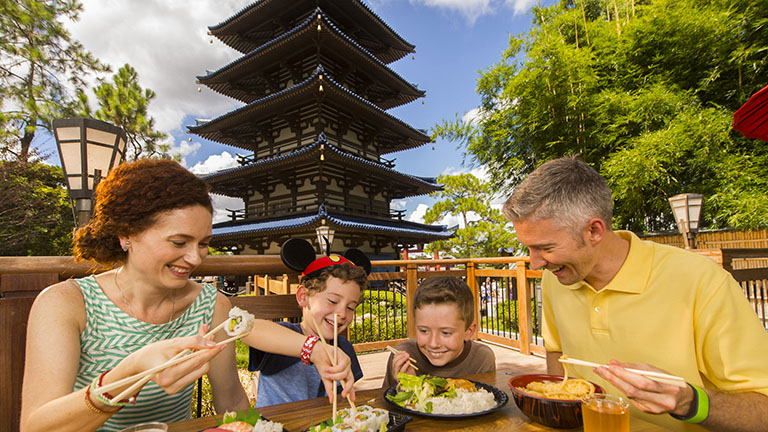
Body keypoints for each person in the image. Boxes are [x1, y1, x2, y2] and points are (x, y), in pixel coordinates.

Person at [20, 159, 353, 432]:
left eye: (204, 243)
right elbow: (36, 427)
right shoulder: (66, 303)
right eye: (179, 243)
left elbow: (231, 405)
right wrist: (128, 374)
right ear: (126, 235)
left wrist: (313, 349)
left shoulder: (209, 304)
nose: (195, 259)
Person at [502, 156, 768, 431]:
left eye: (545, 247)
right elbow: (557, 354)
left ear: (594, 230)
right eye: (529, 248)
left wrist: (689, 402)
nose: (535, 263)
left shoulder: (703, 282)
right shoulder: (556, 280)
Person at [248, 239, 368, 407]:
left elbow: (346, 401)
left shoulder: (344, 348)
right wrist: (311, 347)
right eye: (333, 301)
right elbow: (248, 329)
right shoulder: (283, 335)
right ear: (303, 297)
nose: (342, 313)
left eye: (350, 307)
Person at [383, 277, 495, 388]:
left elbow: (487, 402)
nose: (433, 344)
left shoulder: (481, 358)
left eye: (446, 333)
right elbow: (381, 403)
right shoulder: (403, 355)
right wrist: (407, 387)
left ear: (469, 332)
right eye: (424, 331)